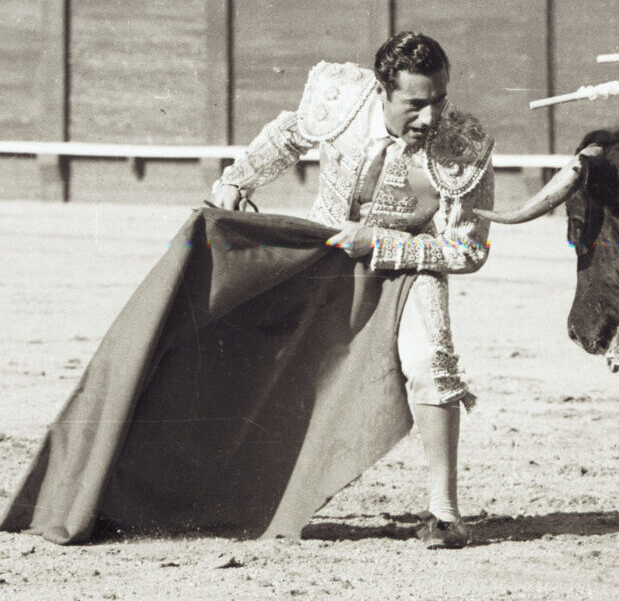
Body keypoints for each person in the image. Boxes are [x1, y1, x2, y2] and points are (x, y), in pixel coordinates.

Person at [210, 32, 492, 548]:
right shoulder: (343, 97)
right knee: (258, 357)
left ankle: (445, 511)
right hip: (326, 250)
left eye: (439, 100)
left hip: (411, 265)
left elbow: (467, 250)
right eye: (415, 104)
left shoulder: (463, 143)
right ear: (383, 91)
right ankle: (238, 495)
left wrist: (382, 244)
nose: (431, 118)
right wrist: (239, 178)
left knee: (432, 362)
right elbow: (289, 134)